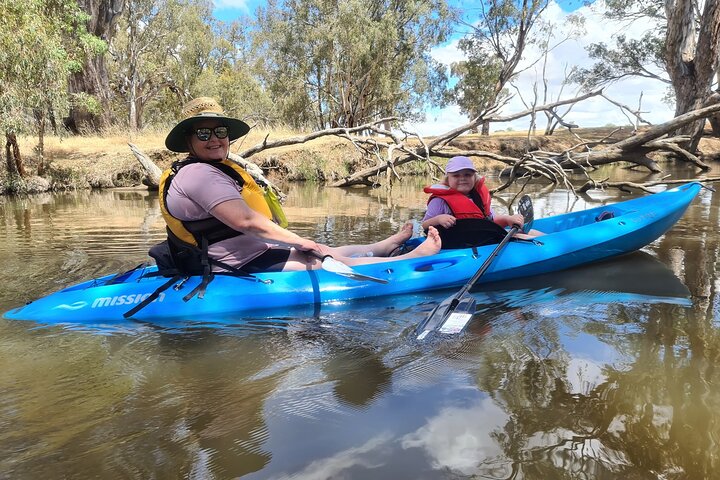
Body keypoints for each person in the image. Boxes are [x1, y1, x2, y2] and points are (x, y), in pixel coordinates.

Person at [159, 96, 441, 276]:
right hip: (235, 263)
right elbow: (247, 221)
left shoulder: (207, 168)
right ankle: (412, 260)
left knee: (324, 248)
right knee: (318, 260)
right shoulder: (199, 175)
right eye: (203, 133)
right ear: (189, 141)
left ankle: (383, 245)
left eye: (220, 131)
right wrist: (299, 241)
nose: (215, 139)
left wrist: (301, 243)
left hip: (254, 251)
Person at [421, 156, 541, 249]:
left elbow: (490, 221)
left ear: (474, 177)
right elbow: (425, 225)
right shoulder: (439, 201)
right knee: (521, 236)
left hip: (483, 240)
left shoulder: (478, 196)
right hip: (457, 244)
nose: (462, 178)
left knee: (528, 231)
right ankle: (550, 243)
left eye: (467, 174)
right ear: (448, 179)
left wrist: (508, 219)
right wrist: (438, 219)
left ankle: (549, 239)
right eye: (456, 175)